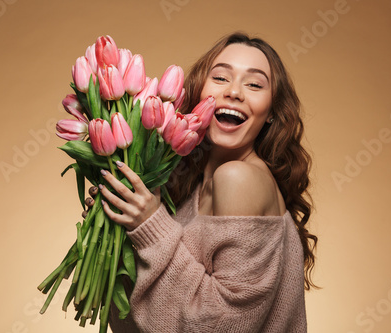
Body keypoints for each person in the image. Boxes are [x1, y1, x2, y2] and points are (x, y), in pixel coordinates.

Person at [85, 32, 317, 332]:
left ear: (271, 113)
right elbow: (141, 320)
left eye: (255, 84)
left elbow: (224, 325)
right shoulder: (188, 185)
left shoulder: (240, 178)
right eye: (221, 78)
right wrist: (116, 231)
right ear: (199, 91)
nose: (234, 92)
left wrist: (150, 227)